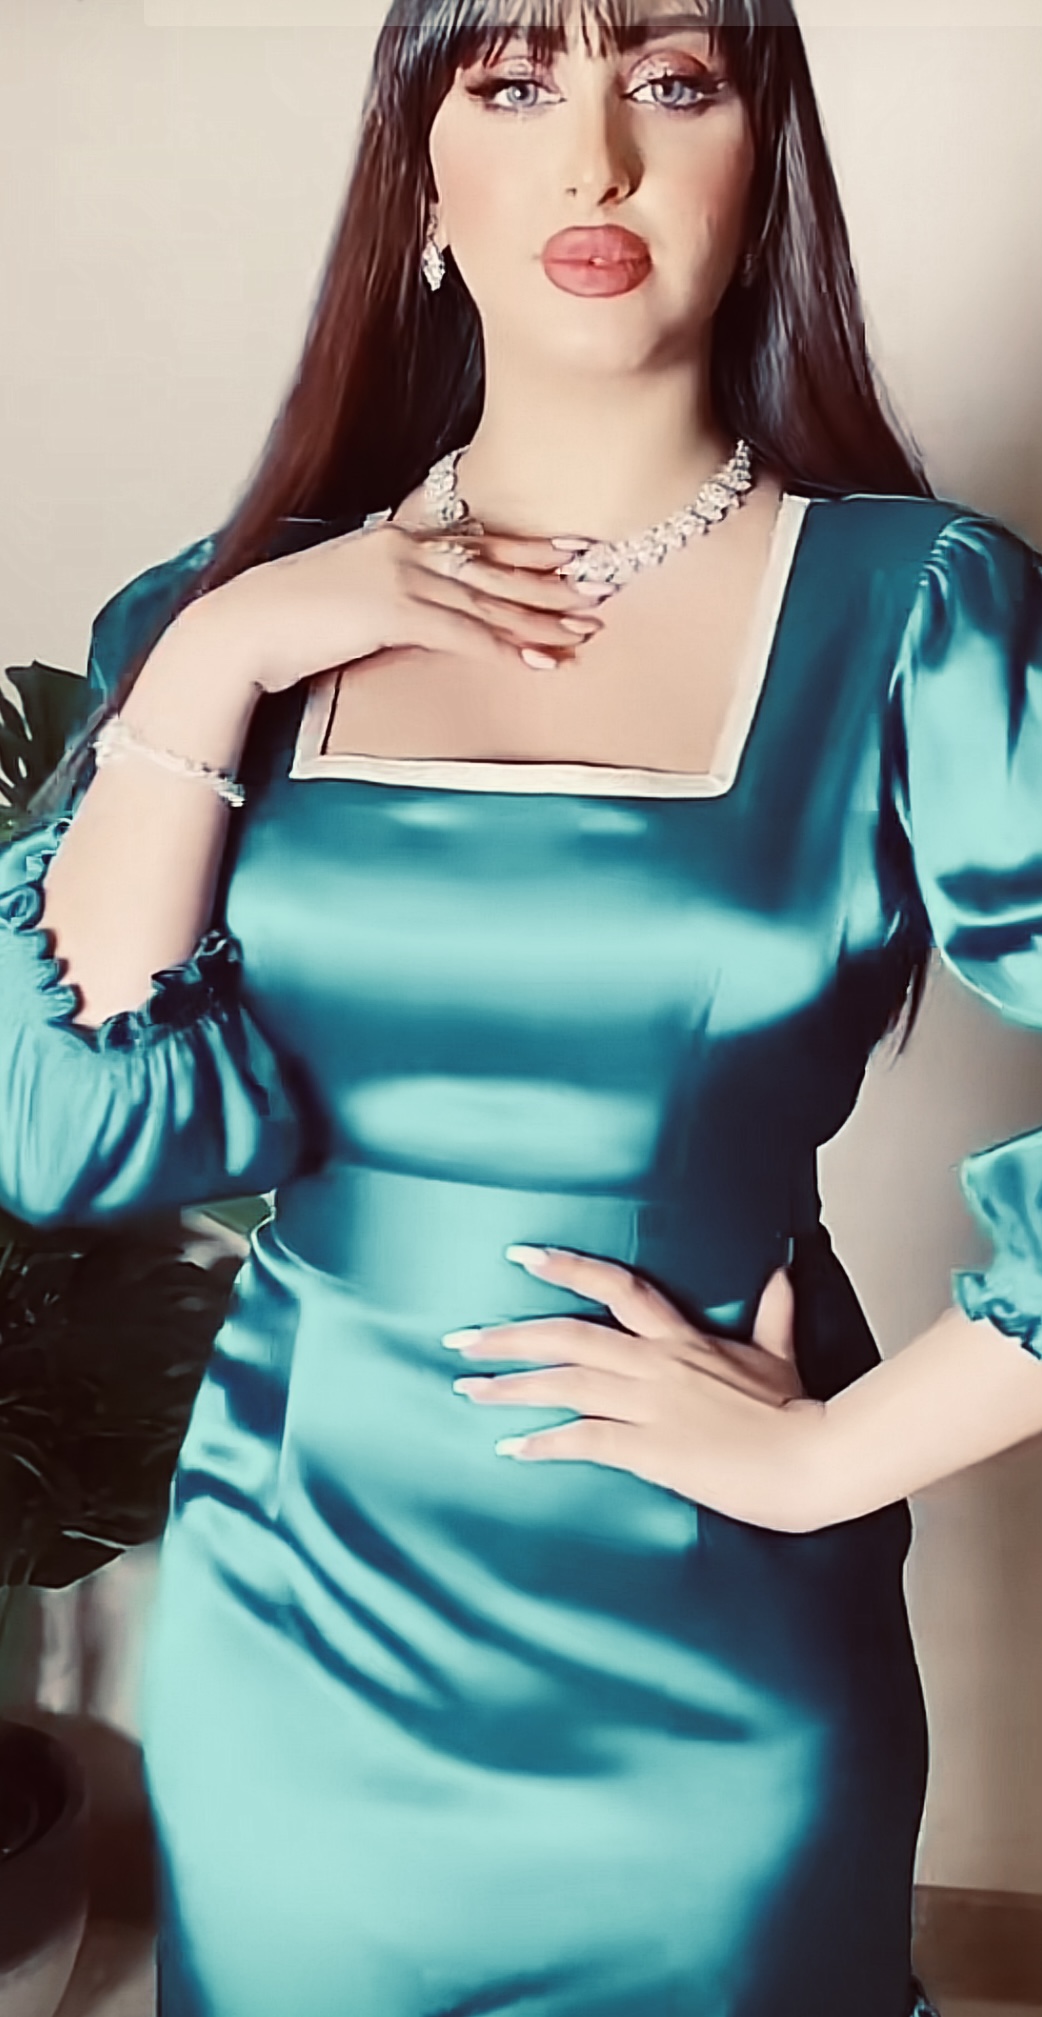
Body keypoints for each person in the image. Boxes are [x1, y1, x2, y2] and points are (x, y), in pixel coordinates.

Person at [2, 0, 1041, 2009]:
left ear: (761, 167)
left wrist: (828, 1461)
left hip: (710, 1627)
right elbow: (67, 1125)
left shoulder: (908, 606)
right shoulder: (228, 614)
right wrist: (221, 657)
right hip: (302, 1599)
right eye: (512, 83)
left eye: (670, 82)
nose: (594, 156)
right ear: (418, 182)